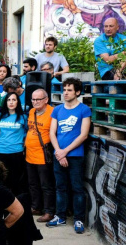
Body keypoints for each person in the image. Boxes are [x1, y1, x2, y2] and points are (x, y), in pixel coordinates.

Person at [47, 78, 91, 234]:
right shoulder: (57, 110)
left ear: (77, 92)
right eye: (64, 89)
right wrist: (59, 152)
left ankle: (78, 219)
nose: (65, 92)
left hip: (75, 156)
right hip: (58, 155)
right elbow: (52, 132)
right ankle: (60, 216)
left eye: (69, 90)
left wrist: (65, 152)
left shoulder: (84, 109)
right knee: (60, 188)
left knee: (77, 188)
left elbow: (84, 135)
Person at [25, 89, 55, 223]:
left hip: (43, 156)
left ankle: (49, 211)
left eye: (38, 99)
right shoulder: (31, 112)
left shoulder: (53, 112)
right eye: (33, 99)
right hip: (30, 155)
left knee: (46, 185)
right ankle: (36, 207)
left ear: (46, 100)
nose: (35, 102)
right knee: (33, 184)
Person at [0, 92, 28, 196]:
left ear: (18, 102)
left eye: (14, 100)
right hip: (0, 151)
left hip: (16, 151)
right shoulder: (0, 115)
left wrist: (24, 147)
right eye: (9, 100)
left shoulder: (23, 117)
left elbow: (27, 133)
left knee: (15, 179)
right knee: (1, 179)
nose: (11, 102)